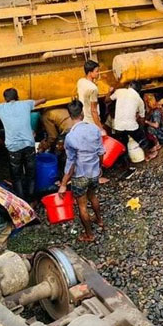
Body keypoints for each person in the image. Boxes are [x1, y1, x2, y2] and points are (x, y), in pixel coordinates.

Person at [0, 88, 46, 200]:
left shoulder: (1, 107)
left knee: (16, 175)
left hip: (13, 148)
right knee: (31, 174)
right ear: (17, 97)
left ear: (5, 99)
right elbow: (43, 100)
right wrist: (42, 99)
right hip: (29, 144)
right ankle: (32, 199)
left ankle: (21, 199)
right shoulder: (26, 104)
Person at [58, 100, 105, 243]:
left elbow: (71, 163)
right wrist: (100, 167)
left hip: (80, 176)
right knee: (93, 196)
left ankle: (89, 235)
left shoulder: (70, 137)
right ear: (83, 113)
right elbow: (101, 152)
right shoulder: (95, 129)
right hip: (94, 172)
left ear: (70, 116)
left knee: (82, 205)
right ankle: (100, 220)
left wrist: (64, 184)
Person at [108, 81, 152, 162]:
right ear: (139, 90)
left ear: (129, 86)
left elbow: (107, 100)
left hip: (118, 126)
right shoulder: (139, 100)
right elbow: (142, 118)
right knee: (143, 141)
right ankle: (147, 156)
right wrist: (142, 128)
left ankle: (126, 164)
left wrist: (110, 92)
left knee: (123, 146)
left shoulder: (119, 91)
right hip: (131, 126)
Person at [77, 60, 106, 133]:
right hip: (92, 121)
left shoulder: (80, 81)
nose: (98, 73)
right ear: (90, 73)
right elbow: (94, 110)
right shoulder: (93, 88)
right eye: (96, 71)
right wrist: (101, 129)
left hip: (83, 119)